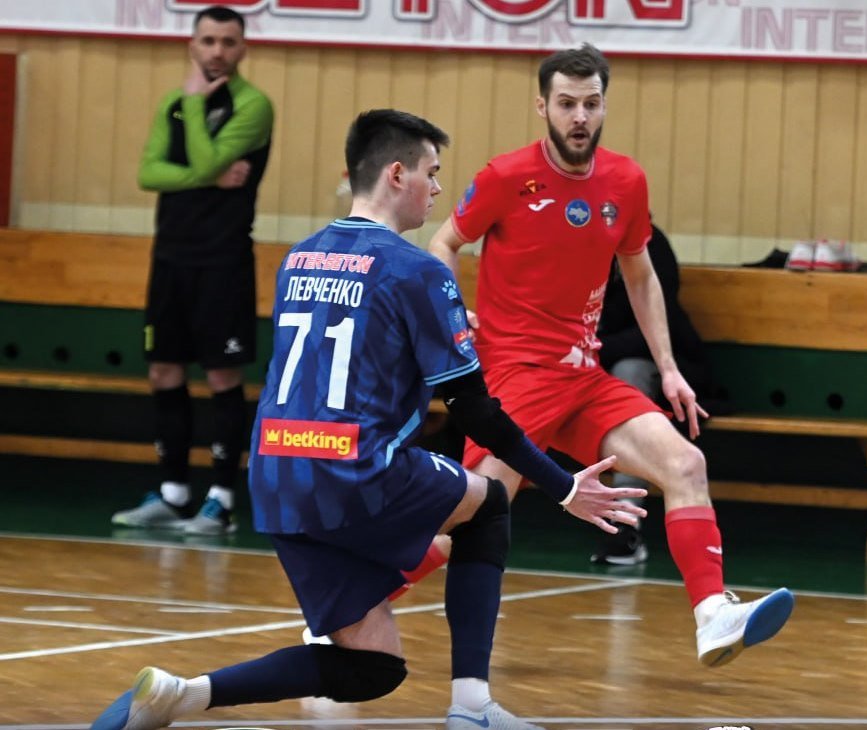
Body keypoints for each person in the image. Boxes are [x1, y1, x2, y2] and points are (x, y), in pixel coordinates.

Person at [89, 109, 648, 730]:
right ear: (397, 174)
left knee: (372, 668)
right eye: (432, 172)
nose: (438, 188)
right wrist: (564, 486)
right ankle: (472, 708)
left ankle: (181, 694)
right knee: (488, 506)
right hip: (354, 466)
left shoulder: (299, 256)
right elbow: (475, 411)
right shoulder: (418, 270)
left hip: (274, 472)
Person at [427, 43, 793, 668]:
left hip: (583, 377)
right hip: (515, 376)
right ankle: (346, 610)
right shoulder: (506, 177)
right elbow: (443, 241)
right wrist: (452, 312)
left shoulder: (625, 181)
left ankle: (712, 615)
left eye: (591, 104)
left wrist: (669, 369)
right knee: (470, 518)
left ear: (603, 107)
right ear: (542, 106)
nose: (579, 117)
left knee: (686, 464)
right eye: (566, 103)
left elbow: (641, 275)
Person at [111, 6, 274, 536]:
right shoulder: (173, 103)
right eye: (208, 40)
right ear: (192, 45)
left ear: (242, 48)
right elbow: (147, 172)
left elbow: (199, 163)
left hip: (223, 260)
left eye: (227, 41)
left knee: (223, 375)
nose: (217, 51)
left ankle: (221, 501)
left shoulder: (253, 106)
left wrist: (197, 108)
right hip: (170, 258)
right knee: (164, 370)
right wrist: (207, 173)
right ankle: (173, 493)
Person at [591, 222, 718, 566]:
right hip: (582, 369)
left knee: (628, 373)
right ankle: (483, 511)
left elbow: (651, 330)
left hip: (661, 371)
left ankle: (624, 522)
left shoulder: (648, 243)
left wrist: (591, 348)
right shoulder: (570, 236)